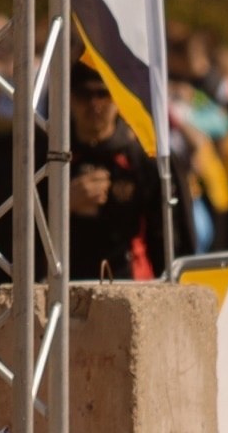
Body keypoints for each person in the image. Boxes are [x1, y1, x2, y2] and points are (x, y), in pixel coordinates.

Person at [67, 61, 165, 280]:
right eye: (84, 95)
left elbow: (163, 234)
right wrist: (64, 205)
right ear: (70, 99)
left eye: (103, 94)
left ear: (117, 99)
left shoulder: (140, 156)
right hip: (66, 280)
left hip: (130, 279)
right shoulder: (52, 155)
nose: (94, 104)